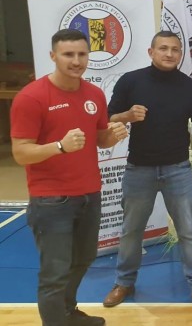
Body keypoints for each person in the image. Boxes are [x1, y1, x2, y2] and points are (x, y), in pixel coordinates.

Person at [11, 29, 128, 326]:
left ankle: (67, 313)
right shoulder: (31, 97)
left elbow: (99, 139)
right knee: (55, 273)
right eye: (68, 54)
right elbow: (21, 153)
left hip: (89, 194)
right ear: (53, 56)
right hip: (51, 200)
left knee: (83, 259)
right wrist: (59, 146)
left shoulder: (94, 94)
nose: (76, 61)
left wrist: (112, 135)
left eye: (81, 54)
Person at [103, 31, 192, 311]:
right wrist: (127, 116)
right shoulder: (131, 81)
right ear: (151, 51)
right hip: (138, 168)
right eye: (163, 48)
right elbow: (108, 117)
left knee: (188, 231)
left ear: (181, 53)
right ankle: (124, 282)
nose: (169, 54)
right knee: (131, 231)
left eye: (175, 49)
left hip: (177, 169)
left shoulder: (191, 88)